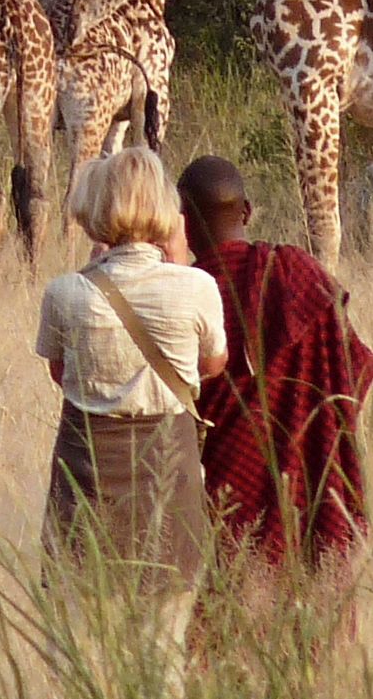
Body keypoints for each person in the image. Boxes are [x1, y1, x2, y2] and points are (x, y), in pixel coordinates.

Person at [36, 146, 227, 695]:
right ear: (167, 211)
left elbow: (59, 371)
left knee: (77, 648)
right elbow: (211, 365)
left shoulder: (66, 292)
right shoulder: (198, 288)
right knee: (163, 652)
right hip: (170, 472)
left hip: (86, 476)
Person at [179, 154, 373, 566]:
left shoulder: (186, 296)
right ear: (247, 212)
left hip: (228, 484)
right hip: (314, 476)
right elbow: (354, 368)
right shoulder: (301, 272)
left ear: (183, 220)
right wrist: (312, 430)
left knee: (226, 604)